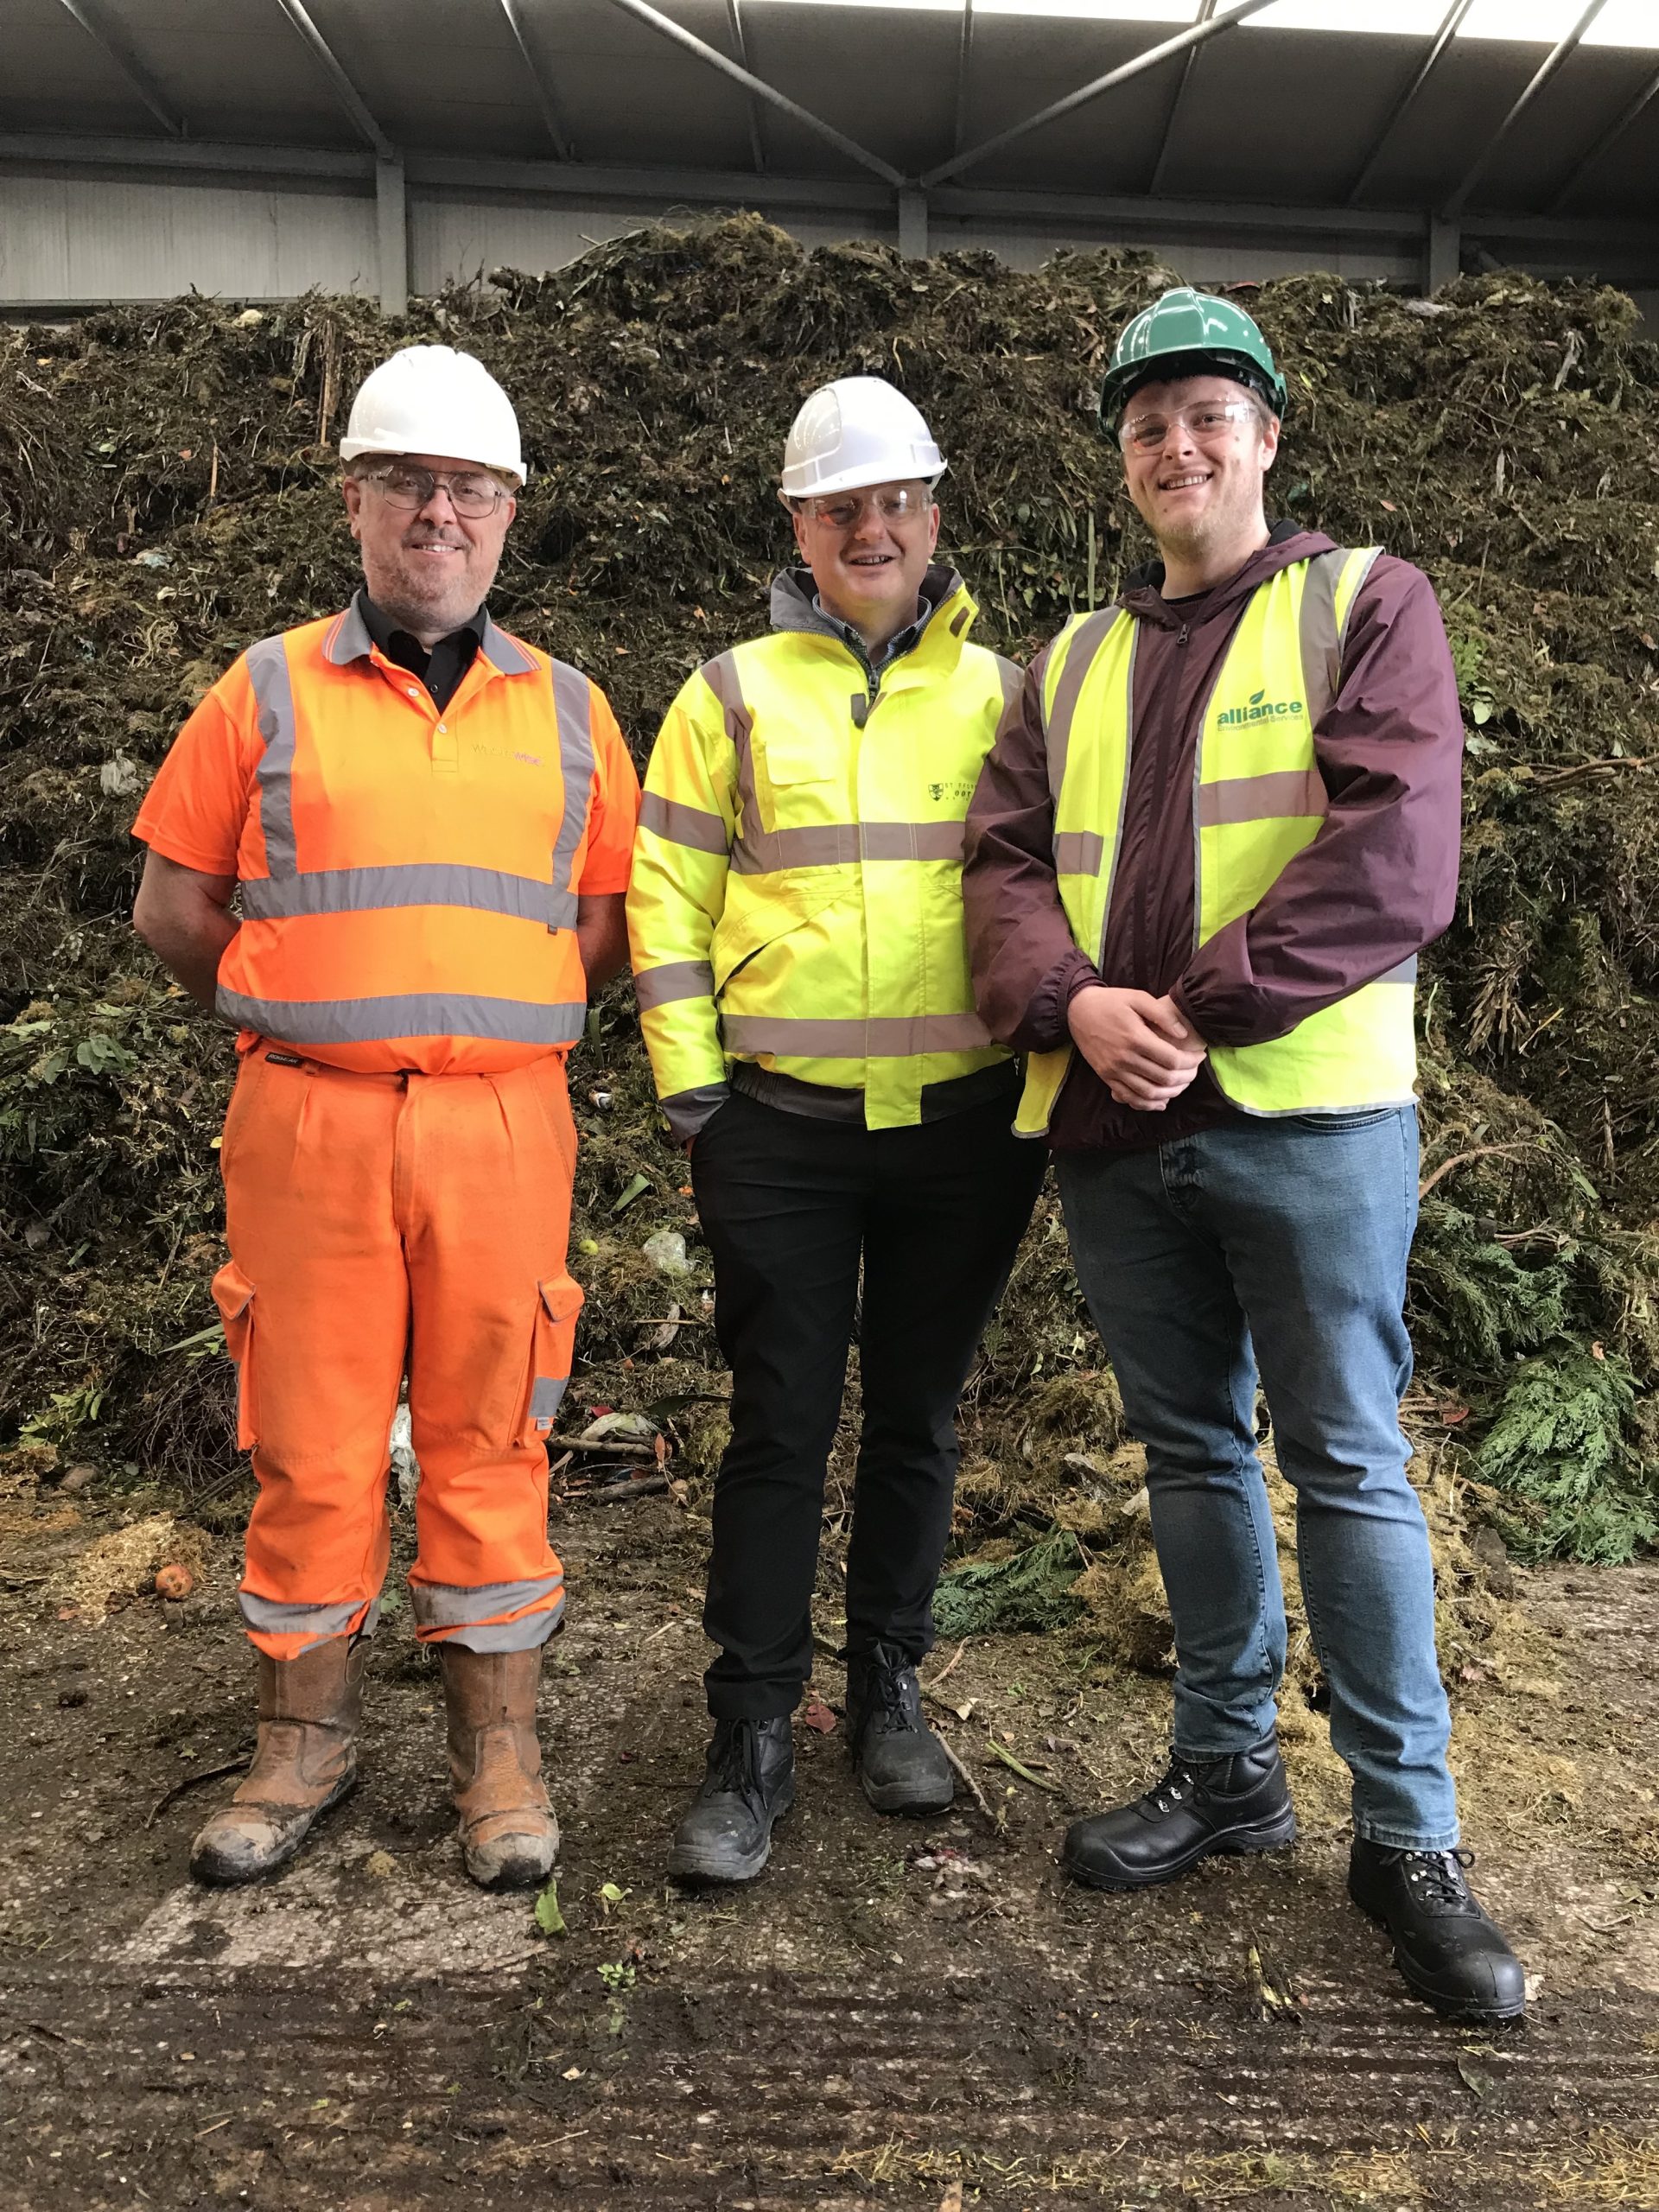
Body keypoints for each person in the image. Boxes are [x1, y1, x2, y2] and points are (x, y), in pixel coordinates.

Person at [962, 289, 1525, 2025]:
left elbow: (1396, 855)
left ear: (1267, 436)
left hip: (1307, 1119)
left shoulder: (1370, 607)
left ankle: (1409, 1838)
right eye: (1145, 424)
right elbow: (993, 864)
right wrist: (1069, 999)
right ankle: (1229, 1771)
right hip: (1121, 1130)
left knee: (1349, 1460)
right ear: (1121, 458)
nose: (1176, 445)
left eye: (1208, 413)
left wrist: (1188, 1004)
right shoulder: (1069, 660)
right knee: (1192, 1452)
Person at [131, 344, 640, 1892]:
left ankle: (499, 1752)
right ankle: (304, 1744)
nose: (441, 511)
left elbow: (608, 929)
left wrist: (480, 1024)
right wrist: (309, 1003)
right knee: (311, 1432)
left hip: (503, 1128)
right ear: (356, 501)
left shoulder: (571, 712)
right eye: (410, 482)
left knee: (496, 1430)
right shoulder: (264, 689)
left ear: (508, 515)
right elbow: (174, 905)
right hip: (308, 1127)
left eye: (470, 488)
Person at [627, 377, 1046, 1884]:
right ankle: (748, 1735)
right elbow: (662, 899)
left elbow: (1053, 892)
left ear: (936, 516)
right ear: (797, 528)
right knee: (781, 1425)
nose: (871, 528)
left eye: (897, 502)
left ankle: (889, 1693)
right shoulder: (729, 693)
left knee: (922, 1418)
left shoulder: (1006, 692)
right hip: (780, 1133)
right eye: (839, 507)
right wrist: (693, 1090)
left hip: (967, 1130)